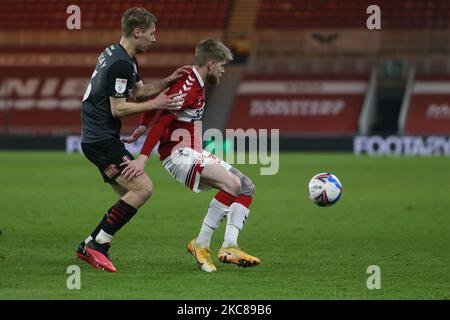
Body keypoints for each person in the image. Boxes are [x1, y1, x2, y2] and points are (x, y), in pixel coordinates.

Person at [121, 39, 261, 273]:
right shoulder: (189, 84)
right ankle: (226, 246)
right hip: (178, 155)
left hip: (193, 151)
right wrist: (143, 157)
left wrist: (142, 124)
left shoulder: (192, 81)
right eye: (222, 66)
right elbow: (164, 120)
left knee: (246, 187)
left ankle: (207, 245)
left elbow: (161, 99)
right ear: (210, 63)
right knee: (233, 185)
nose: (223, 71)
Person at [76, 7, 190, 272]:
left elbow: (138, 93)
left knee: (131, 193)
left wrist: (166, 82)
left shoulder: (119, 55)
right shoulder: (120, 64)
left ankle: (90, 243)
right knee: (143, 188)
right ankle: (98, 245)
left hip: (97, 138)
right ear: (137, 32)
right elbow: (119, 109)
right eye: (151, 34)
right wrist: (158, 102)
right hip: (100, 139)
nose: (154, 39)